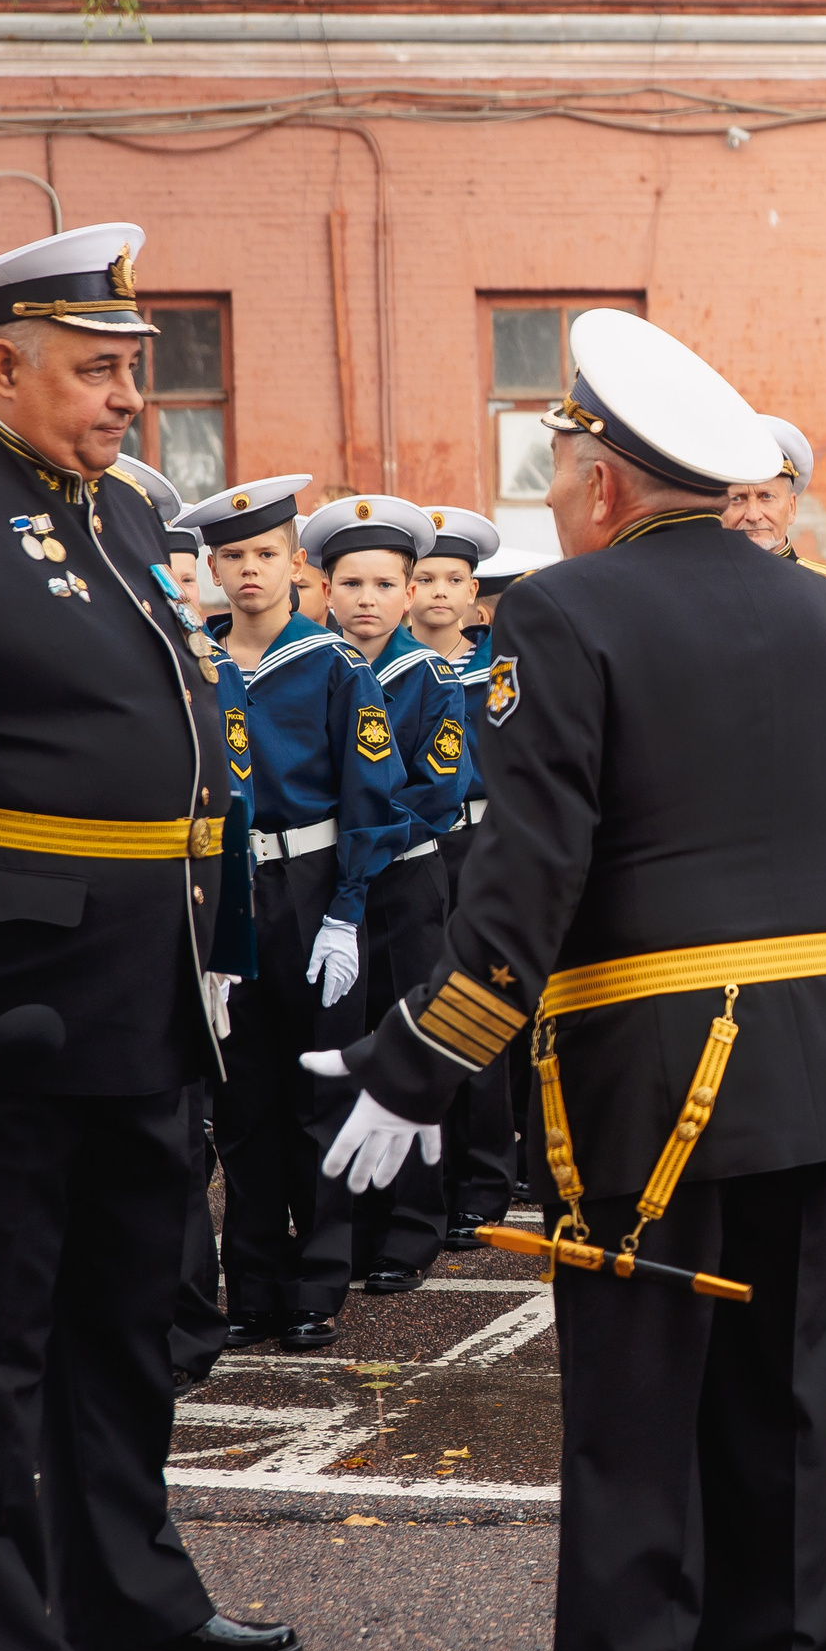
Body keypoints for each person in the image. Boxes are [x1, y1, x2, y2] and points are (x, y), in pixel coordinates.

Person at [308, 309, 826, 1651]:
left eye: (558, 473)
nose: (554, 499)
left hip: (646, 1087)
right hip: (808, 1069)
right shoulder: (819, 609)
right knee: (781, 1422)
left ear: (605, 480)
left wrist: (421, 1058)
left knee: (635, 1436)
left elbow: (528, 873)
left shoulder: (560, 610)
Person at [0, 222, 299, 1651]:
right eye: (98, 370)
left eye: (136, 368)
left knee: (121, 1328)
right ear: (3, 366)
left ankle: (130, 1602)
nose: (131, 396)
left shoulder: (118, 506)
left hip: (139, 996)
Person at [200, 474, 412, 1351]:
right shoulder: (199, 663)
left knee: (320, 1088)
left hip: (312, 885)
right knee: (241, 1098)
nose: (249, 569)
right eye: (232, 556)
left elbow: (373, 794)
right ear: (213, 569)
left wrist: (346, 910)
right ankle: (252, 1284)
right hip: (229, 890)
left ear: (295, 565)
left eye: (265, 553)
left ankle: (319, 1281)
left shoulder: (334, 664)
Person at [308, 496, 468, 1293]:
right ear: (325, 590)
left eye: (382, 584)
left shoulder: (430, 677)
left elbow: (438, 788)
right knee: (342, 1043)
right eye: (350, 583)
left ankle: (412, 1224)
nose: (366, 599)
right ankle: (352, 1221)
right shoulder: (315, 668)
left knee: (407, 1036)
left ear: (409, 593)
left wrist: (361, 845)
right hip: (329, 885)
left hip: (402, 879)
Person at [412, 506, 517, 1246]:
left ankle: (483, 1179)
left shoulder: (498, 670)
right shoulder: (383, 665)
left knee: (481, 999)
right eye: (425, 578)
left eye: (454, 579)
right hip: (419, 844)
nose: (439, 592)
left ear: (474, 593)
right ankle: (432, 1176)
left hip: (483, 840)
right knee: (424, 1000)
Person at [727, 413, 826, 620]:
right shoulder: (693, 587)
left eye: (766, 496)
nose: (753, 515)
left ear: (792, 507)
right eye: (737, 499)